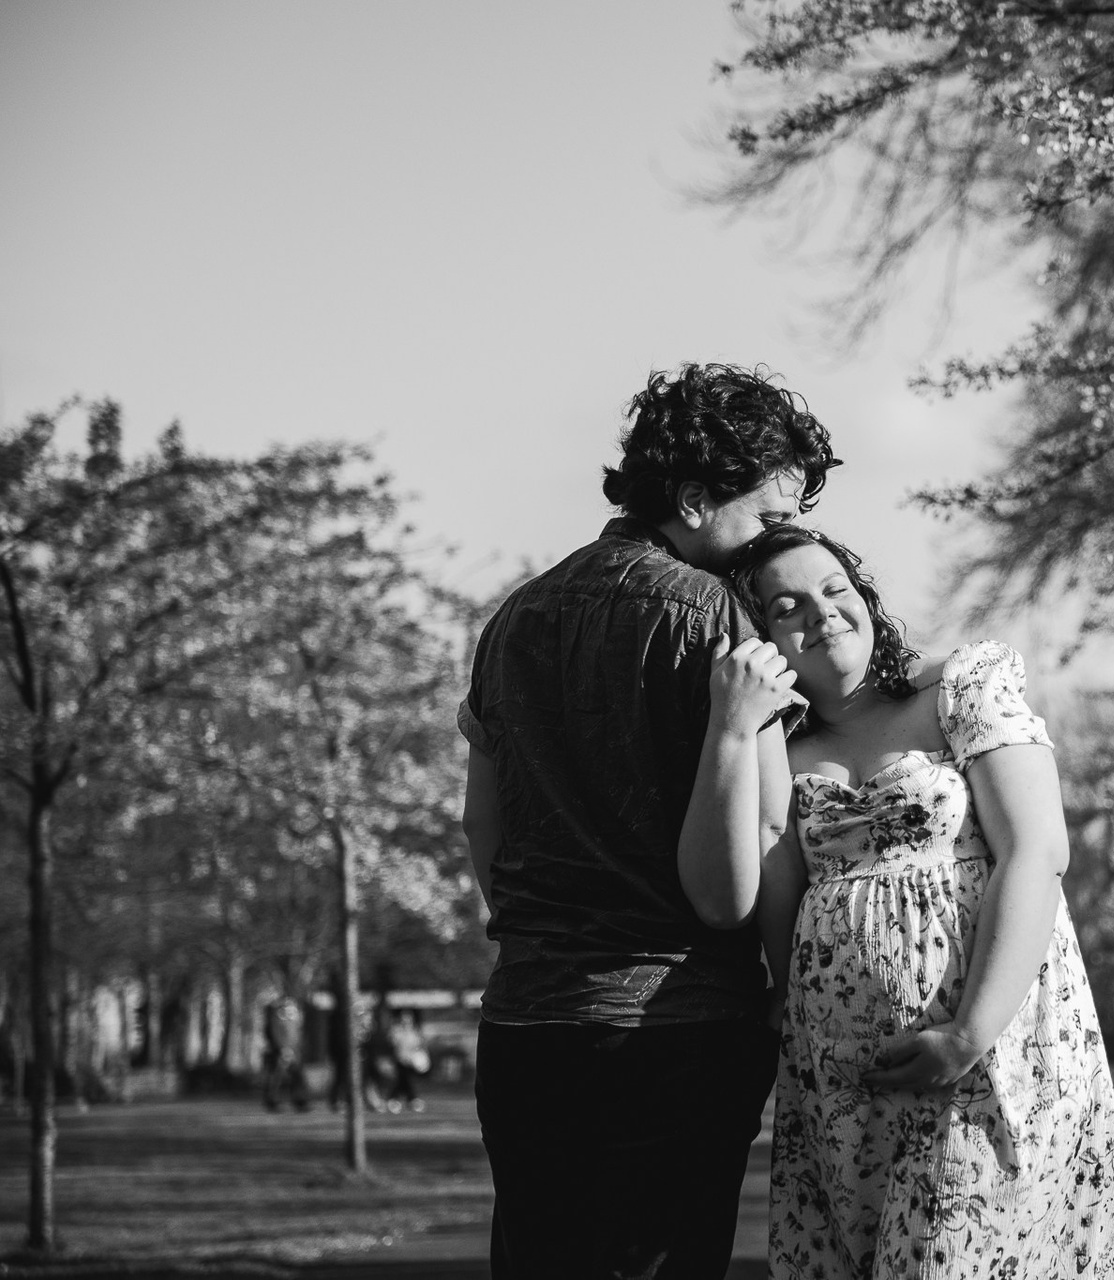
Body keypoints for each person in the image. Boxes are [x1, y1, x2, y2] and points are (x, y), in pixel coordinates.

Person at [458, 363, 837, 1278]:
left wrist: (545, 934)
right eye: (767, 516)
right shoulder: (721, 622)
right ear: (696, 499)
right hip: (675, 1032)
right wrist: (786, 986)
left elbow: (481, 825)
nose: (779, 540)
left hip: (526, 1026)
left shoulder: (513, 619)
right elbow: (765, 837)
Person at [717, 525, 1114, 1280]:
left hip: (990, 1053)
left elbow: (1036, 852)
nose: (822, 613)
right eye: (787, 607)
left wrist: (970, 1034)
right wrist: (788, 1010)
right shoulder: (775, 746)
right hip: (843, 1081)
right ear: (761, 640)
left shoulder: (960, 687)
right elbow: (781, 893)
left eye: (835, 589)